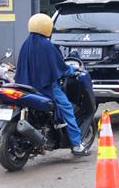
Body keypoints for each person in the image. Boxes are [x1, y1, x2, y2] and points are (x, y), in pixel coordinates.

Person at [14, 13, 87, 156]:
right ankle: (77, 145)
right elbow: (61, 68)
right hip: (46, 88)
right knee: (67, 108)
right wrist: (74, 69)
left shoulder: (25, 44)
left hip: (25, 88)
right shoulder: (47, 45)